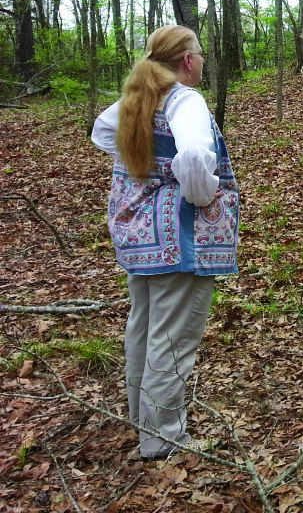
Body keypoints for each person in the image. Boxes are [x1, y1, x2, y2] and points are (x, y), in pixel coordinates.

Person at [91, 25, 240, 460]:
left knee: (143, 329)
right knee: (171, 338)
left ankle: (143, 421)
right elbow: (194, 157)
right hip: (178, 239)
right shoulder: (184, 99)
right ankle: (164, 439)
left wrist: (147, 162)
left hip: (139, 235)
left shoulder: (139, 98)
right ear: (187, 61)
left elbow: (102, 134)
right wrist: (199, 192)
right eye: (200, 54)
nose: (203, 60)